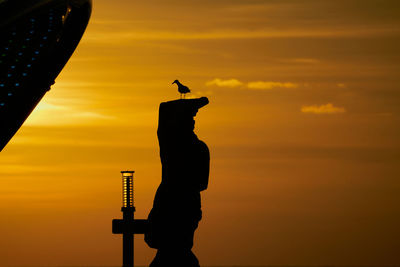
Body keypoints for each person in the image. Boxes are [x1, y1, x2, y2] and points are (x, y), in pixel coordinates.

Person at [145, 97, 210, 267]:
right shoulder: (177, 145)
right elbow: (164, 112)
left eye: (192, 118)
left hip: (179, 204)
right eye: (188, 118)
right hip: (180, 204)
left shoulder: (190, 147)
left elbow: (202, 183)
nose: (193, 122)